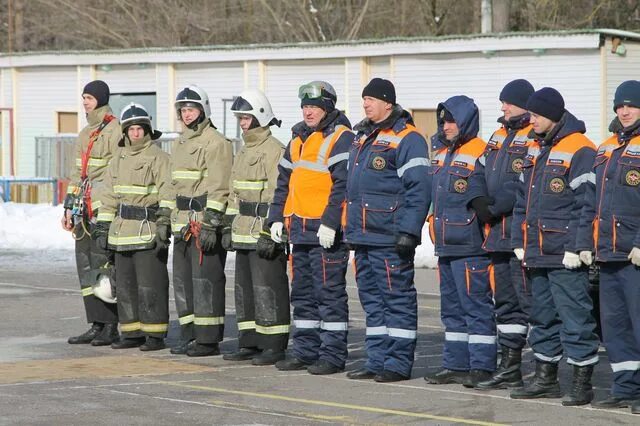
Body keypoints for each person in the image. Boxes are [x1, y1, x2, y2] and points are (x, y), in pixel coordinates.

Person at [510, 87, 600, 406]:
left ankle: (581, 381)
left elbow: (586, 205)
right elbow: (522, 201)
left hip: (565, 254)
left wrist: (578, 247)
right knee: (542, 317)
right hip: (537, 250)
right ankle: (545, 377)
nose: (530, 120)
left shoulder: (581, 149)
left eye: (534, 115)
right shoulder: (534, 148)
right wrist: (518, 242)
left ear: (550, 115)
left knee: (575, 317)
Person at [344, 78, 430, 383]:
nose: (365, 104)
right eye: (364, 98)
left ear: (388, 104)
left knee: (397, 300)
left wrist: (409, 231)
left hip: (389, 236)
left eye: (371, 99)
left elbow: (419, 189)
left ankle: (397, 362)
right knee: (372, 301)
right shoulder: (363, 136)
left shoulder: (408, 138)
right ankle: (377, 358)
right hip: (363, 236)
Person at [267, 81, 353, 375]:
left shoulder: (340, 137)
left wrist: (331, 223)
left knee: (329, 295)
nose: (308, 112)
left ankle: (332, 354)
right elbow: (283, 184)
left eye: (313, 106)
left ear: (327, 107)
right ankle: (304, 351)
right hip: (299, 230)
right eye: (304, 106)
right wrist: (276, 217)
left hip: (324, 233)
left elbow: (343, 186)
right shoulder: (297, 139)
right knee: (302, 295)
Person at [466, 80, 535, 390]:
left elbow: (524, 182)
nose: (503, 108)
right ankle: (510, 365)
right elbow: (477, 172)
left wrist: (498, 205)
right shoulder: (497, 136)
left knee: (529, 303)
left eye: (508, 102)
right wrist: (479, 201)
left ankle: (547, 368)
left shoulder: (533, 136)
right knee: (505, 303)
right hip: (496, 233)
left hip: (518, 233)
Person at [423, 95, 496, 388]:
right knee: (451, 309)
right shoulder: (440, 153)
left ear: (465, 121)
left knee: (476, 307)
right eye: (443, 120)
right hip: (445, 244)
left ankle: (481, 365)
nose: (446, 125)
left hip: (471, 245)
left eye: (451, 120)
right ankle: (455, 363)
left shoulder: (482, 151)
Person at [220, 89, 291, 365]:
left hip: (263, 232)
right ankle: (249, 341)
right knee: (245, 290)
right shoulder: (244, 150)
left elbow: (278, 193)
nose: (242, 122)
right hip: (242, 232)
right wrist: (228, 225)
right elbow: (234, 192)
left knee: (268, 289)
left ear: (260, 117)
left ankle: (273, 345)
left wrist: (270, 231)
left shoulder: (274, 150)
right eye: (240, 117)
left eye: (246, 117)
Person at [93, 103, 171, 351]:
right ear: (125, 132)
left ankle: (155, 335)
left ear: (147, 130)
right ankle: (131, 332)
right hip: (120, 233)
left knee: (151, 286)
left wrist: (164, 225)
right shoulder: (117, 159)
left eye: (140, 128)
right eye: (132, 129)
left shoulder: (159, 158)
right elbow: (108, 197)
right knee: (125, 287)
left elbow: (167, 193)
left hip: (147, 231)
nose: (136, 133)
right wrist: (103, 227)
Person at [165, 85, 233, 357]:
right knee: (183, 282)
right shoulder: (179, 142)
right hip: (182, 223)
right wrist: (165, 219)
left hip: (202, 223)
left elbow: (220, 186)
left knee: (206, 281)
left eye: (191, 109)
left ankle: (207, 339)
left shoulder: (216, 142)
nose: (187, 114)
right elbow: (172, 184)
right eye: (183, 110)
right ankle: (189, 334)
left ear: (203, 110)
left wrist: (211, 223)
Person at [587, 80, 640, 414]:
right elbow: (590, 202)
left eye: (631, 105)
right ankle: (626, 387)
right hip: (607, 252)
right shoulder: (605, 148)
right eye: (620, 106)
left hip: (634, 254)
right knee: (615, 325)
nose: (624, 111)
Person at [63, 80, 120, 346]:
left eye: (89, 97)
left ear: (100, 99)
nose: (85, 102)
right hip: (82, 209)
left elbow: (116, 173)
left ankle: (110, 324)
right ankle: (95, 323)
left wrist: (106, 208)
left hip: (101, 207)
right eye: (83, 97)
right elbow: (77, 173)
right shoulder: (85, 133)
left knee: (102, 266)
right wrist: (69, 206)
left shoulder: (114, 130)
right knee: (85, 266)